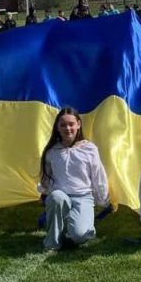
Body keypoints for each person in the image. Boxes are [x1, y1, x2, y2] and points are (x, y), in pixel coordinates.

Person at [38, 108, 110, 252]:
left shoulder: (89, 149)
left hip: (83, 197)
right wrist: (45, 194)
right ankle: (52, 242)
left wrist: (103, 199)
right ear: (57, 127)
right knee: (56, 198)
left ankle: (76, 226)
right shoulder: (52, 151)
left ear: (78, 124)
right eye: (63, 125)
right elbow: (46, 176)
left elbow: (98, 175)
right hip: (60, 196)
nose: (67, 128)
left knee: (79, 236)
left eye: (71, 124)